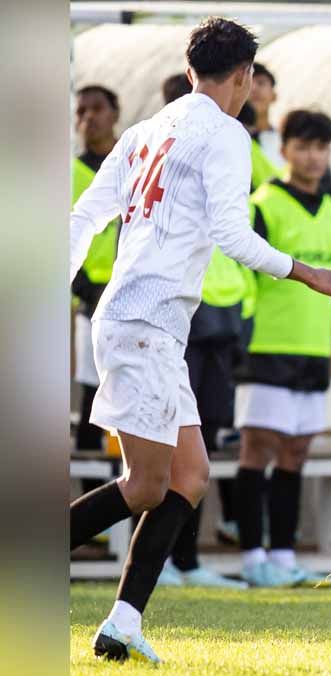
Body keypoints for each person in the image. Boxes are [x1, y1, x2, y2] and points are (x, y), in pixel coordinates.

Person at [68, 17, 331, 664]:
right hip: (144, 325)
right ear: (247, 77)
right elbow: (232, 232)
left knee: (189, 478)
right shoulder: (226, 134)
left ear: (189, 67)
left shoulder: (145, 130)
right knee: (146, 486)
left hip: (142, 324)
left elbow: (86, 215)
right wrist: (306, 270)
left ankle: (122, 625)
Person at [234, 109, 331, 588]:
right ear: (284, 151)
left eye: (321, 147)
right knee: (257, 448)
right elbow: (244, 274)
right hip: (267, 346)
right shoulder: (264, 202)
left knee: (297, 452)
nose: (313, 157)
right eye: (303, 146)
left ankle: (282, 556)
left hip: (313, 348)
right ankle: (249, 557)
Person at [154, 73, 250, 590]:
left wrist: (242, 320)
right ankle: (161, 558)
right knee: (159, 455)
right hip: (175, 326)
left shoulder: (233, 168)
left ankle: (186, 559)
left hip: (220, 329)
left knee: (202, 445)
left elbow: (239, 257)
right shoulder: (162, 166)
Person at [71, 84, 122, 501]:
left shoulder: (134, 163)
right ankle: (95, 496)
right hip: (93, 303)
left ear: (115, 113)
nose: (88, 117)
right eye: (81, 110)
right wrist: (86, 287)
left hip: (135, 297)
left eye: (97, 108)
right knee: (94, 400)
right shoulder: (71, 173)